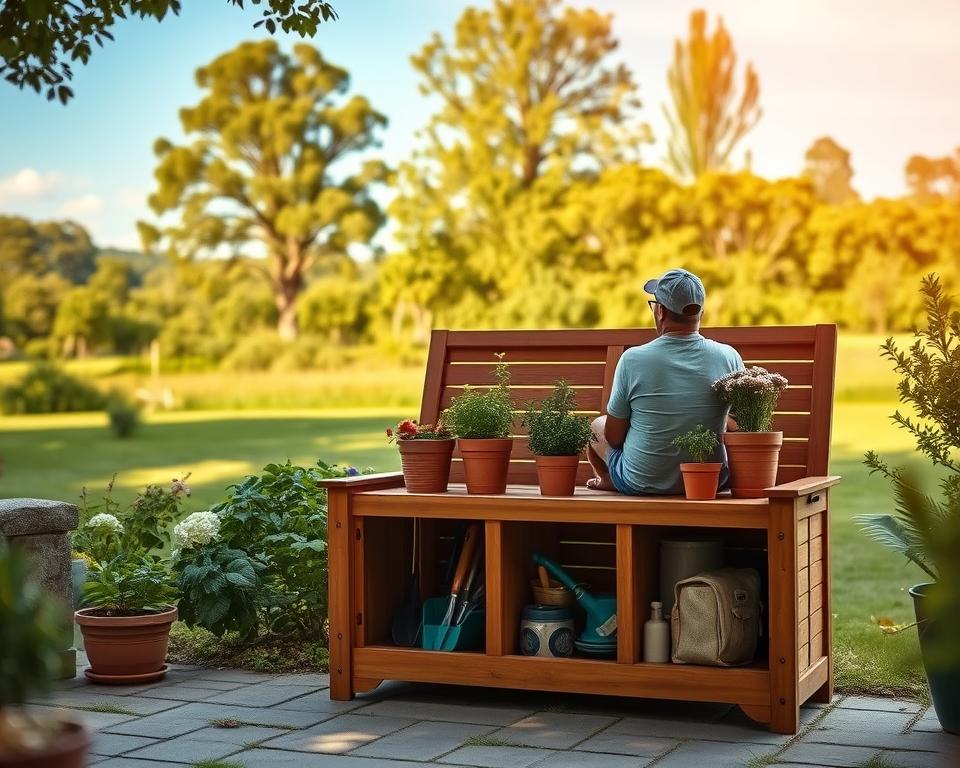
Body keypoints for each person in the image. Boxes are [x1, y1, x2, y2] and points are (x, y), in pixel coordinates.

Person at [586, 268, 744, 495]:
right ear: (699, 312)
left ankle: (608, 479)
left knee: (596, 427)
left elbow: (614, 437)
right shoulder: (729, 356)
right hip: (712, 480)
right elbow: (742, 428)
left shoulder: (633, 359)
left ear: (660, 311)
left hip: (641, 482)